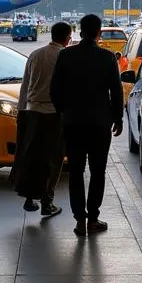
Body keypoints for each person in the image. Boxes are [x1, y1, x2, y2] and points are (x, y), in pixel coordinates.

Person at [50, 13, 123, 236]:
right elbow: (116, 91)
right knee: (98, 171)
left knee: (76, 171)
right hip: (100, 123)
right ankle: (93, 218)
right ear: (99, 33)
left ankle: (79, 220)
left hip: (73, 122)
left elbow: (55, 90)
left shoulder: (66, 56)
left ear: (80, 32)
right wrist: (117, 118)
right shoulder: (107, 57)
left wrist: (64, 111)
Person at [11, 20, 72, 218]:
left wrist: (22, 111)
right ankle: (47, 202)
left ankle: (29, 198)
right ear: (67, 38)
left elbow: (25, 85)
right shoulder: (64, 56)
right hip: (55, 114)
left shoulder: (35, 54)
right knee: (53, 160)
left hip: (32, 112)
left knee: (32, 157)